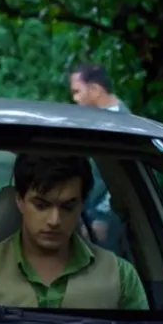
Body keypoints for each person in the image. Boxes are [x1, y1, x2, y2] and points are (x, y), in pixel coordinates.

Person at [0, 153, 148, 310]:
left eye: (68, 207)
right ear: (20, 201)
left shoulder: (120, 276)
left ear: (81, 205)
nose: (54, 221)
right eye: (41, 206)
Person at [69, 62, 128, 250]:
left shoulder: (122, 126)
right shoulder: (98, 119)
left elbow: (120, 179)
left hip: (103, 221)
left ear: (94, 90)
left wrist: (102, 217)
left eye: (77, 91)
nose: (75, 99)